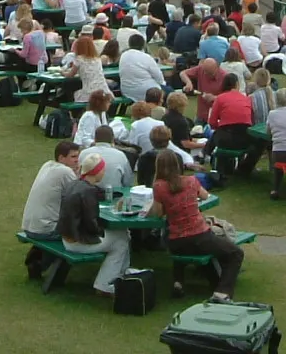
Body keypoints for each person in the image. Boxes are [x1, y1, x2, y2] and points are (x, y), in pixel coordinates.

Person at [150, 149, 244, 301]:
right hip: (199, 236)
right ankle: (223, 291)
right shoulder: (191, 181)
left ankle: (178, 281)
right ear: (178, 165)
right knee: (235, 253)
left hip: (176, 240)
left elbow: (158, 213)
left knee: (180, 242)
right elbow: (205, 195)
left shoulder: (158, 186)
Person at [57, 149, 132, 297]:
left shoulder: (75, 184)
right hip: (79, 242)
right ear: (96, 171)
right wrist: (103, 229)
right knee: (121, 241)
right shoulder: (87, 191)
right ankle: (105, 283)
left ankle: (120, 274)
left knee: (122, 235)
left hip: (67, 238)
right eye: (103, 169)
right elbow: (92, 225)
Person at [203, 73, 254, 171]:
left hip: (225, 138)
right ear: (237, 84)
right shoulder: (246, 99)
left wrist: (221, 125)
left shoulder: (220, 98)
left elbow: (212, 122)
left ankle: (206, 155)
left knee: (217, 134)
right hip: (245, 139)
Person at [118, 33, 165, 102]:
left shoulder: (123, 55)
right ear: (143, 45)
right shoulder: (146, 57)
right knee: (168, 91)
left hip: (126, 90)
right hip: (146, 91)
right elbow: (159, 77)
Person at [63, 34, 110, 103]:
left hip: (88, 93)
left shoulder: (79, 59)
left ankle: (72, 110)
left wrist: (62, 72)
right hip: (104, 90)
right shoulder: (97, 59)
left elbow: (70, 75)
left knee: (67, 86)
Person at [91, 125, 134, 192]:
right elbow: (128, 182)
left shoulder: (83, 153)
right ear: (112, 139)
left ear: (95, 138)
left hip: (88, 195)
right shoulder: (120, 155)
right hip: (115, 195)